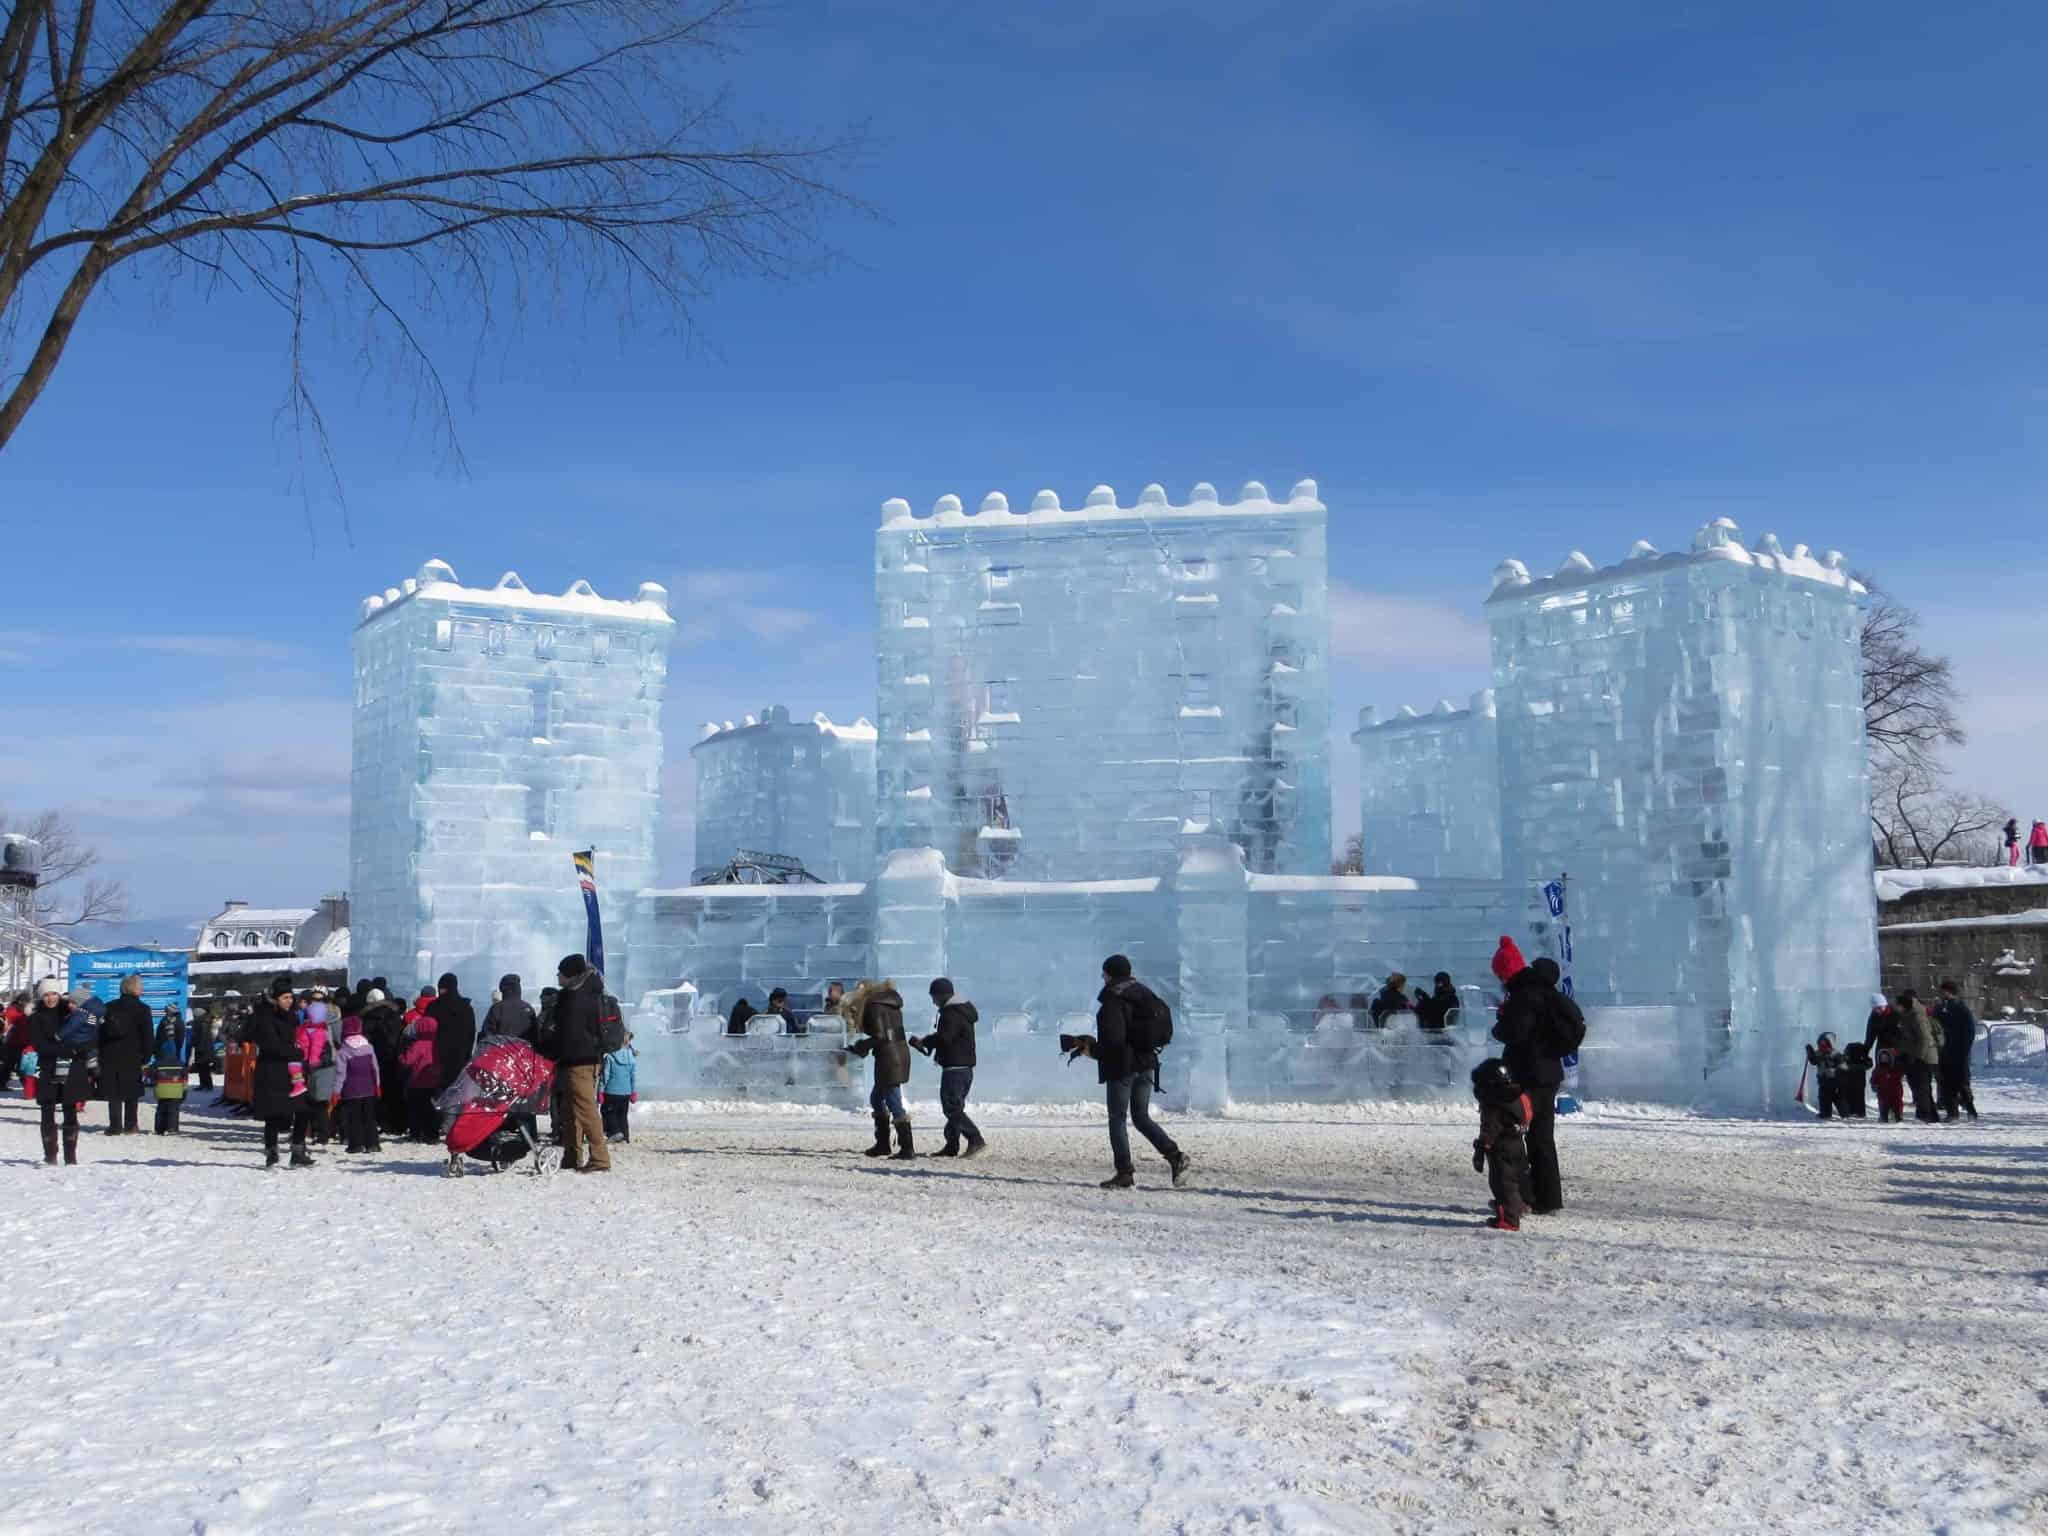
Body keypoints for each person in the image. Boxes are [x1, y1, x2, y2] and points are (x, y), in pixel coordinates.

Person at [1086, 955, 1188, 1190]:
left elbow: (1113, 1043)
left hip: (1123, 1068)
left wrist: (1089, 1049)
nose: (1102, 977)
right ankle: (1175, 1156)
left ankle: (1124, 1173)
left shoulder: (1113, 1000)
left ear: (1110, 974)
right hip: (1147, 1064)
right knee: (1141, 1117)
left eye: (1104, 973)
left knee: (1117, 1120)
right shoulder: (1143, 993)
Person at [1489, 937, 1573, 1216]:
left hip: (1530, 1075)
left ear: (1507, 971)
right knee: (1542, 1137)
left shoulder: (1524, 994)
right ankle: (1547, 1198)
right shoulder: (1541, 991)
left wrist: (1500, 1026)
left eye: (1500, 974)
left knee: (1515, 1135)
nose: (1500, 980)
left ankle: (1524, 1196)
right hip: (1548, 1072)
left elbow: (1517, 1034)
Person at [541, 953, 612, 1173]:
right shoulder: (586, 993)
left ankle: (600, 1157)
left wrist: (552, 1048)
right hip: (581, 1059)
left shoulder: (576, 999)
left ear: (570, 975)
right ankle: (572, 1156)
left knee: (585, 1108)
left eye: (560, 972)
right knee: (569, 1109)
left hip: (578, 1059)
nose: (557, 976)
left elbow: (570, 1032)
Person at [249, 976, 315, 1169]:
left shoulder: (291, 1016)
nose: (289, 1001)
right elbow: (271, 1046)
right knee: (274, 1115)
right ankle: (271, 1152)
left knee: (304, 1109)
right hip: (272, 1071)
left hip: (291, 1072)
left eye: (290, 997)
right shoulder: (265, 1017)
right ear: (276, 999)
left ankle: (297, 1152)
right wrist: (297, 1051)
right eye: (285, 997)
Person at [917, 977, 984, 1159]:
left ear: (942, 995)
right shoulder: (962, 1011)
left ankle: (975, 1138)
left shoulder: (951, 1013)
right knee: (956, 1107)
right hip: (964, 1067)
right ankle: (952, 1145)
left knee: (951, 1108)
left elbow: (946, 1037)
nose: (933, 1001)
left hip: (954, 1067)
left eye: (934, 996)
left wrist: (926, 1041)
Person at [846, 980, 914, 1160]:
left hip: (889, 1058)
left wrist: (861, 1046)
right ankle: (883, 1144)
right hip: (895, 1054)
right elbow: (884, 1033)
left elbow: (880, 1035)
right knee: (877, 1098)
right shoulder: (888, 1004)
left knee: (892, 1100)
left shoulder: (875, 1006)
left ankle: (907, 1148)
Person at [29, 978, 93, 1165]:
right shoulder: (36, 1018)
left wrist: (78, 1050)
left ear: (60, 994)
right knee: (47, 1110)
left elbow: (87, 1037)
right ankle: (50, 1154)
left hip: (71, 1069)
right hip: (49, 1069)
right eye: (46, 995)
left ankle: (70, 1155)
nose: (50, 998)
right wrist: (66, 1050)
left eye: (53, 994)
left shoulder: (72, 1014)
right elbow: (39, 1045)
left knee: (70, 1110)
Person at [1470, 1058, 1529, 1231]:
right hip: (1517, 1143)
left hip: (1501, 1148)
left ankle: (1509, 1220)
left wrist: (1482, 1148)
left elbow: (1490, 1129)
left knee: (1503, 1184)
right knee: (1515, 1180)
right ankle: (1517, 1206)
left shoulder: (1493, 1105)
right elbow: (1527, 1114)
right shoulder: (1517, 1096)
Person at [98, 974, 152, 1135]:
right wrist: (147, 1056)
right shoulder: (143, 1009)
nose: (142, 989)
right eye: (140, 986)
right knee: (131, 1092)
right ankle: (131, 1125)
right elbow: (147, 1036)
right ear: (134, 989)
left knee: (113, 1092)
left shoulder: (109, 1007)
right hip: (133, 1056)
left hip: (110, 1054)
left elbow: (101, 1033)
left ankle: (114, 1126)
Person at [334, 1014, 382, 1153]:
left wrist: (336, 1091)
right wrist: (377, 1085)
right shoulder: (369, 1047)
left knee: (354, 1118)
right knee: (369, 1117)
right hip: (369, 1088)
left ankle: (356, 1145)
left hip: (351, 1090)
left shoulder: (343, 1051)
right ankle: (373, 1144)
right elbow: (375, 1068)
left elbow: (340, 1073)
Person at [1933, 980, 1979, 1122]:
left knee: (1961, 1083)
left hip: (1957, 1053)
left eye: (1943, 991)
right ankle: (1952, 1112)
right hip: (1945, 1052)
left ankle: (1970, 1110)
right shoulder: (1940, 1008)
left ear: (1949, 991)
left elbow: (1970, 1031)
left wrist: (1964, 1049)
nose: (1941, 994)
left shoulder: (1960, 1008)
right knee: (1946, 1084)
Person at [1895, 989, 1941, 1123]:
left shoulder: (1917, 1015)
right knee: (1920, 1087)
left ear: (1903, 1005)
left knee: (1921, 1087)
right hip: (1915, 1055)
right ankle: (1931, 1115)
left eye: (1897, 1005)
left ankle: (1924, 1115)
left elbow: (1925, 1038)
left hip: (1924, 1057)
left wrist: (1917, 1057)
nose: (1895, 1007)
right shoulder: (1907, 1015)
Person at [428, 973, 478, 1096]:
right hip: (459, 1058)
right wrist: (467, 1055)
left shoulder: (433, 1007)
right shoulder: (466, 1008)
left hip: (437, 1058)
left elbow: (427, 1032)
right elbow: (471, 1033)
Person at [151, 1005, 190, 1134]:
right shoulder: (166, 1021)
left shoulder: (177, 1022)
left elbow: (180, 1039)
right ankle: (170, 1127)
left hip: (171, 1053)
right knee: (172, 1107)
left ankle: (161, 1127)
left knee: (163, 1105)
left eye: (167, 1010)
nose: (165, 1012)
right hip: (167, 1053)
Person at [600, 1031, 637, 1142]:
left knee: (608, 1112)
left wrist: (601, 1091)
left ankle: (615, 1132)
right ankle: (625, 1136)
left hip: (611, 1090)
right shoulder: (631, 1057)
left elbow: (605, 1076)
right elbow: (633, 1077)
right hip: (626, 1092)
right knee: (622, 1114)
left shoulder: (610, 1057)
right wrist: (633, 1091)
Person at [482, 974, 535, 1041]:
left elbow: (487, 1035)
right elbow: (535, 1036)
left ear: (503, 989)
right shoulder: (528, 1008)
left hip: (501, 1050)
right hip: (524, 1050)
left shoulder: (497, 1008)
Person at [1803, 1033, 1842, 1120]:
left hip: (1834, 1081)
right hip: (1823, 1080)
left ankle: (1844, 1112)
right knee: (1824, 1098)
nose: (1822, 1045)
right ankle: (1825, 1113)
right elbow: (1814, 1061)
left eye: (1824, 1043)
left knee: (1839, 1100)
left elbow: (1842, 1065)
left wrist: (1835, 1071)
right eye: (1820, 1043)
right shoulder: (1818, 1053)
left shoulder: (1835, 1053)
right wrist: (1810, 1053)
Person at [1872, 1044, 1907, 1123]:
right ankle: (1883, 1116)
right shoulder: (1877, 1070)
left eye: (1886, 1057)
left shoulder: (1895, 1069)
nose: (1884, 1059)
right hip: (1882, 1093)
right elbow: (1873, 1079)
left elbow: (1900, 1074)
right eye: (1882, 1057)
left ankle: (1898, 1116)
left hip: (1895, 1093)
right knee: (1883, 1106)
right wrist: (1874, 1086)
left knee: (1897, 1106)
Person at [189, 1004, 218, 1093]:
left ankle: (208, 1085)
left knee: (204, 1067)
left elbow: (203, 1037)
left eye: (195, 1014)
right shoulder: (200, 1022)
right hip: (202, 1048)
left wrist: (199, 1047)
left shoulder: (203, 1023)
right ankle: (203, 1084)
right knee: (201, 1067)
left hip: (204, 1049)